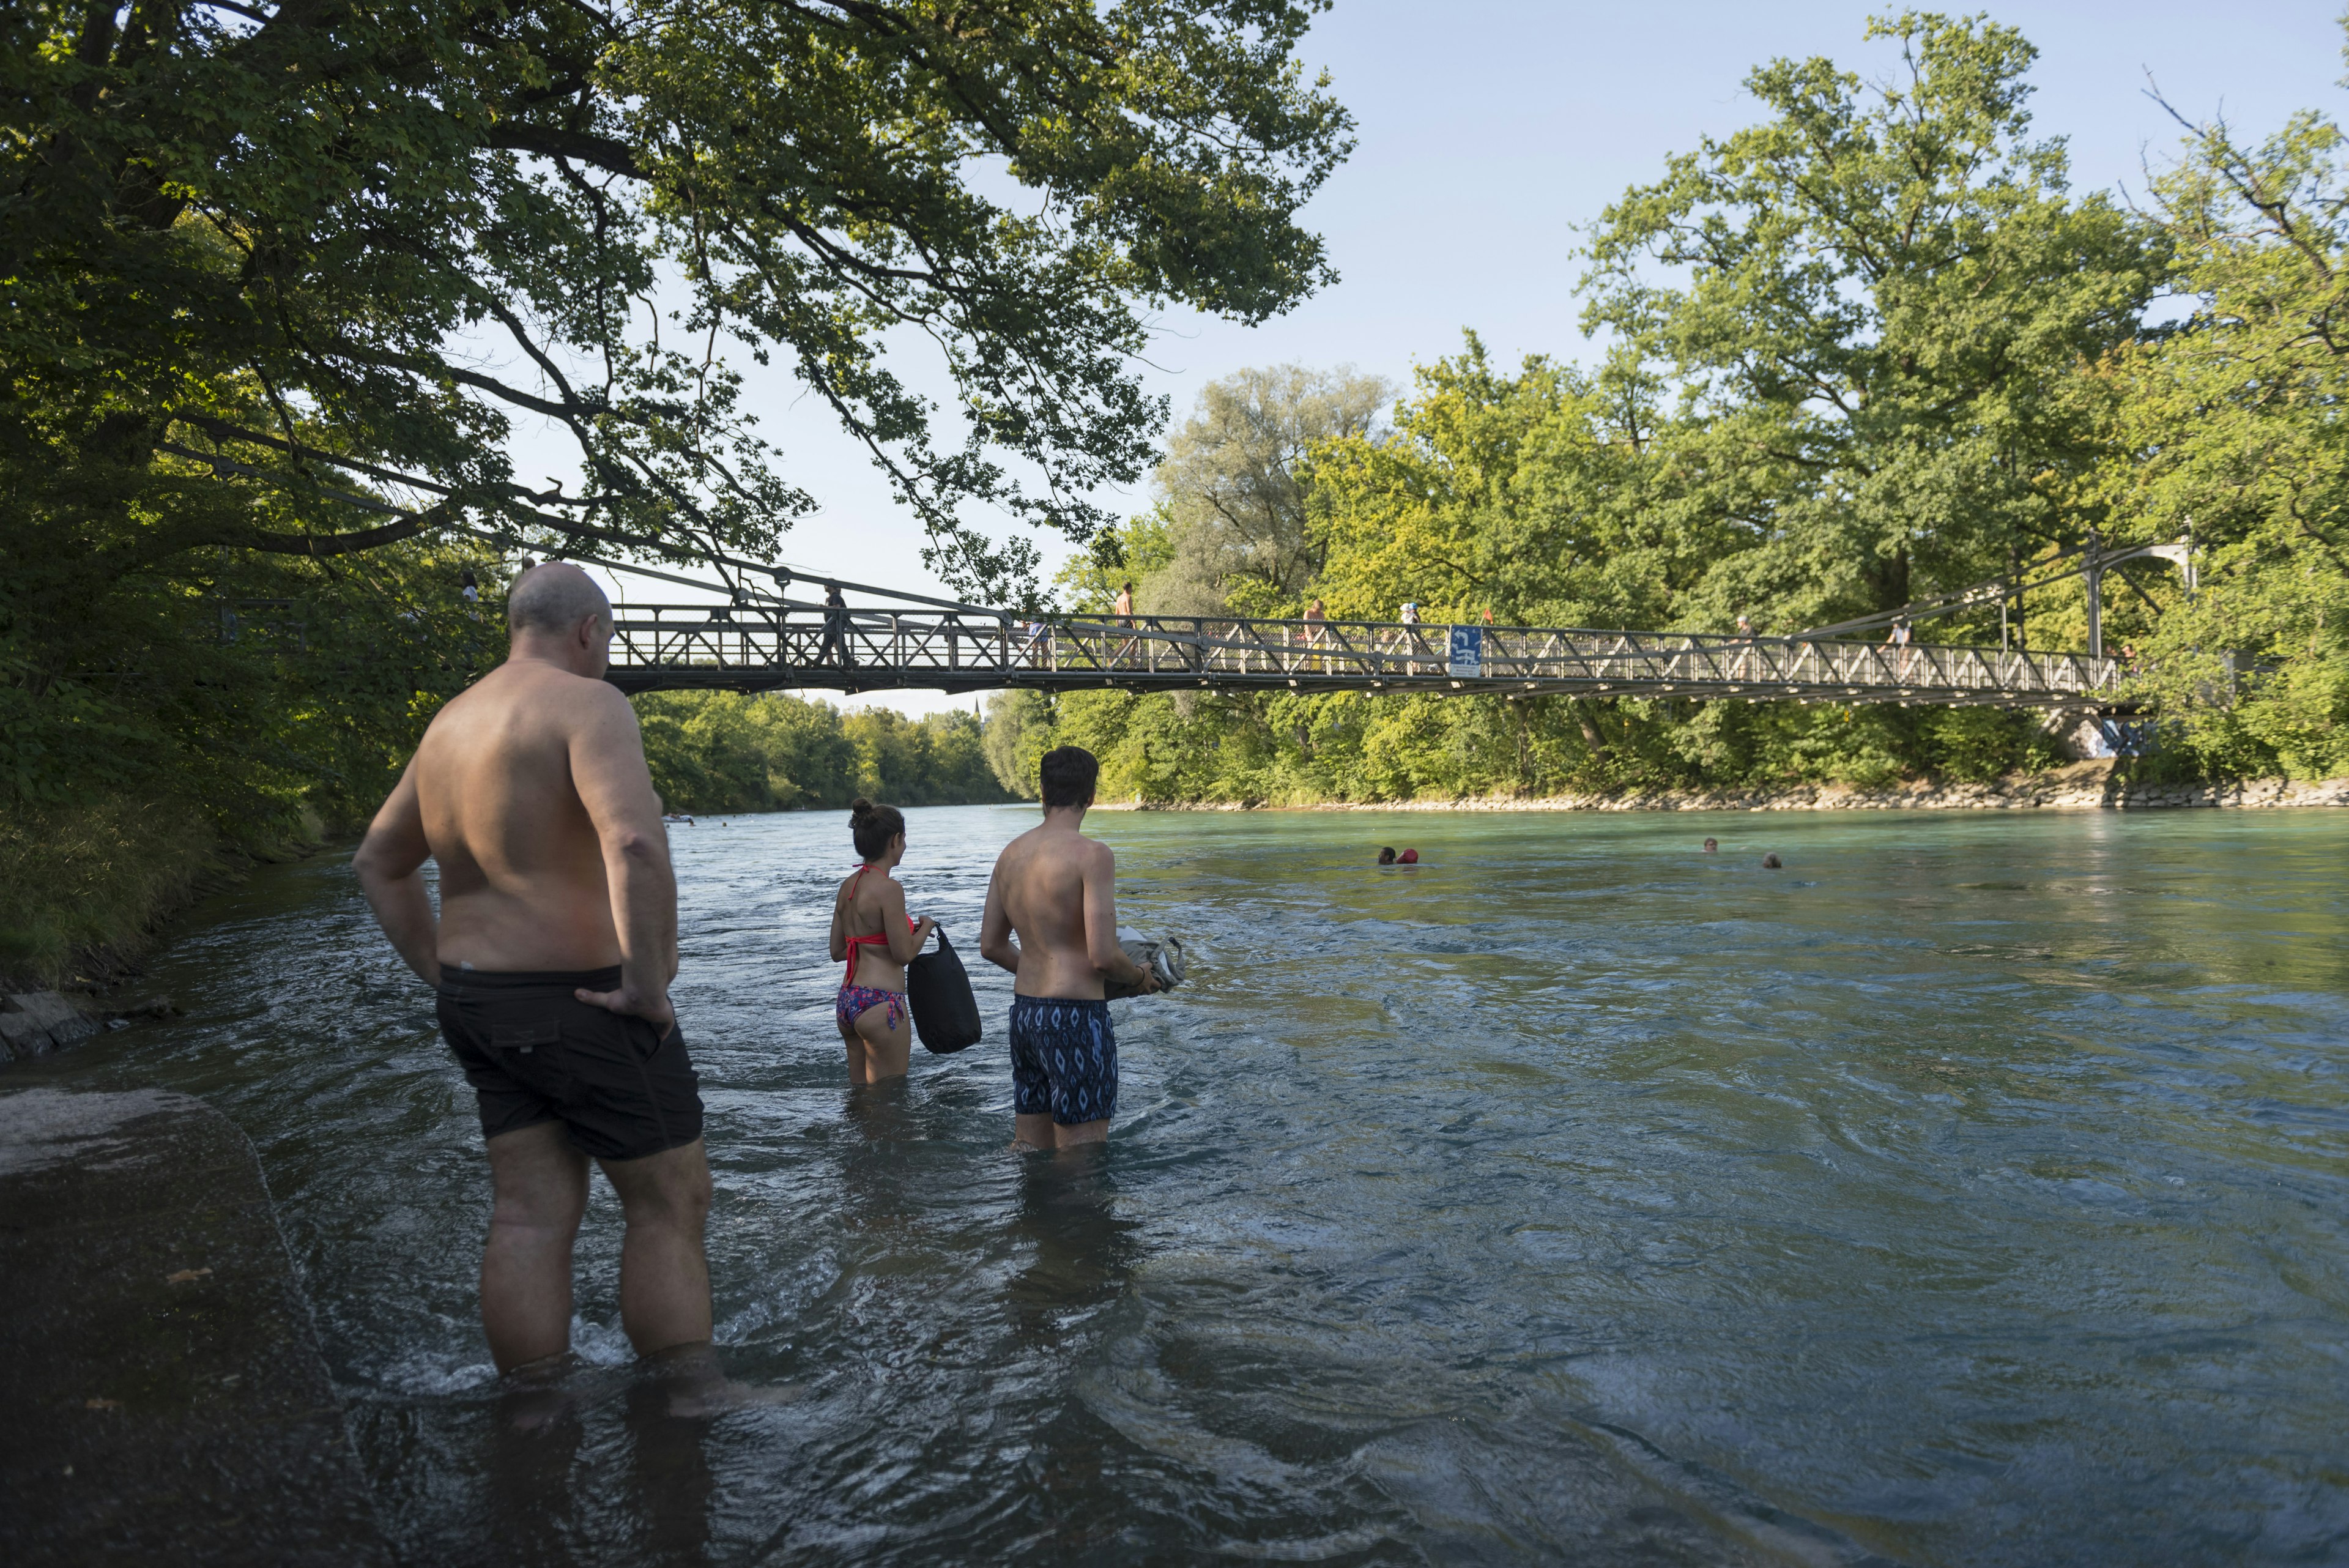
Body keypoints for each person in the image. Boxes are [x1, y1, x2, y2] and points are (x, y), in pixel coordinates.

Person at [352, 563, 714, 1387]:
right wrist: (647, 986)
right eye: (609, 638)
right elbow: (632, 842)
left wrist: (445, 978)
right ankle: (690, 1401)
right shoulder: (590, 704)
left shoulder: (450, 722)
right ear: (590, 629)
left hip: (481, 999)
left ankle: (535, 1406)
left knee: (527, 1214)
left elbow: (378, 862)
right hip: (587, 997)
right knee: (670, 1199)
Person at [978, 746, 1160, 1152]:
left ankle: (1029, 1217)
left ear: (1042, 791)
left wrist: (1043, 970)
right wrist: (1138, 977)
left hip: (1025, 1016)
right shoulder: (1092, 856)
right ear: (1092, 795)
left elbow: (990, 945)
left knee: (1028, 1148)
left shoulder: (1010, 855)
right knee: (1082, 1161)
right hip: (1076, 1020)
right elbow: (1102, 955)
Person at [829, 798, 936, 1085]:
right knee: (889, 1100)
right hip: (880, 1002)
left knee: (860, 1097)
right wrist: (925, 927)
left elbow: (837, 951)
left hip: (848, 1001)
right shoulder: (889, 889)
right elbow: (903, 954)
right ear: (895, 840)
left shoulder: (848, 886)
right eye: (904, 839)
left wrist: (871, 942)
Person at [821, 582, 854, 669]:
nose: (825, 586)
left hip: (835, 625)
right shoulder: (830, 598)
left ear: (832, 586)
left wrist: (825, 608)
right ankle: (817, 663)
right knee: (827, 647)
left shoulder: (836, 597)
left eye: (827, 584)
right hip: (830, 625)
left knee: (839, 644)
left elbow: (837, 607)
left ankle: (848, 663)